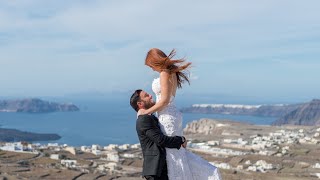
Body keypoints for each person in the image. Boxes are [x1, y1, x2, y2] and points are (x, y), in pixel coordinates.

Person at [138, 48, 222, 180]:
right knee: (177, 152)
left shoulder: (164, 73)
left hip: (167, 115)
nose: (152, 69)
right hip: (172, 114)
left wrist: (146, 112)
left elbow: (164, 100)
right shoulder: (172, 72)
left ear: (156, 62)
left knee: (173, 154)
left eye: (151, 66)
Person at [130, 89, 188, 180]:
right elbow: (161, 140)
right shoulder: (144, 119)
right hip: (155, 170)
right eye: (146, 96)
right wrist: (181, 140)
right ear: (140, 104)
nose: (150, 96)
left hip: (159, 169)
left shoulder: (149, 117)